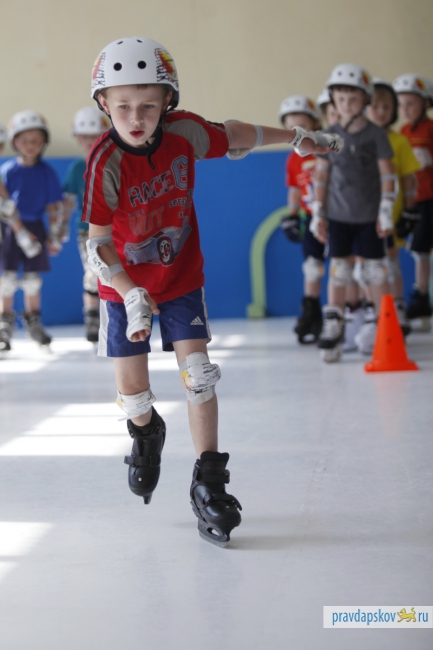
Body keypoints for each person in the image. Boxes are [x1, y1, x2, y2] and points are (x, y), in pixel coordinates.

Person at [83, 36, 343, 546]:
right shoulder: (104, 162)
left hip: (179, 276)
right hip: (123, 289)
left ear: (167, 102)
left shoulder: (183, 132)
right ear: (103, 104)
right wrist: (130, 292)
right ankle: (146, 432)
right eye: (123, 106)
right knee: (133, 397)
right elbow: (97, 245)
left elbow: (235, 134)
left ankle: (210, 481)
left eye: (148, 106)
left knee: (199, 376)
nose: (136, 118)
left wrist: (296, 137)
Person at [311, 63, 395, 362]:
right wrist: (318, 212)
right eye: (341, 98)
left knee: (374, 270)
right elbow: (321, 176)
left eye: (353, 98)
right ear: (333, 100)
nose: (346, 104)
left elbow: (387, 173)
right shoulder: (328, 135)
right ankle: (334, 323)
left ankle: (384, 324)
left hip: (370, 216)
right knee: (339, 269)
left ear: (365, 99)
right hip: (338, 216)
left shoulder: (375, 134)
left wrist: (386, 208)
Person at [0, 111, 63, 351]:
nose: (30, 145)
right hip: (9, 229)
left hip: (36, 226)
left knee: (32, 281)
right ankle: (4, 325)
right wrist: (16, 230)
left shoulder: (46, 172)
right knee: (7, 279)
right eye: (25, 140)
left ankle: (34, 322)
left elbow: (53, 207)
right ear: (15, 142)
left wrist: (55, 236)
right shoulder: (8, 171)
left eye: (36, 140)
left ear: (44, 142)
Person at [366, 78, 420, 336]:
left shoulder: (399, 141)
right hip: (362, 215)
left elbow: (408, 178)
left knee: (391, 263)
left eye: (386, 107)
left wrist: (410, 209)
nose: (380, 112)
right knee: (367, 266)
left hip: (390, 215)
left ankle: (398, 307)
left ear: (394, 110)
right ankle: (374, 311)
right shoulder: (358, 139)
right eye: (375, 106)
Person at [279, 95, 325, 343]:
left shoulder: (325, 149)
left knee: (347, 265)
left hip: (338, 216)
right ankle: (312, 311)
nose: (298, 134)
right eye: (292, 129)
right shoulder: (293, 159)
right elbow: (295, 189)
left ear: (316, 124)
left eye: (303, 127)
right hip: (310, 217)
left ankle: (353, 311)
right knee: (311, 266)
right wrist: (292, 215)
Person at [63, 108, 110, 342]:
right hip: (86, 231)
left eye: (94, 136)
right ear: (78, 138)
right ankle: (92, 318)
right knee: (93, 272)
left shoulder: (112, 163)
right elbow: (68, 202)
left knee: (115, 271)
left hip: (114, 229)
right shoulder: (76, 168)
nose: (89, 141)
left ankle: (115, 316)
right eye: (84, 137)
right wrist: (59, 228)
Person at [393, 73, 433, 331]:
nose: (405, 110)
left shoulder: (430, 129)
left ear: (426, 103)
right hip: (413, 201)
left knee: (421, 248)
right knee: (417, 249)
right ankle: (421, 298)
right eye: (402, 105)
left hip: (430, 198)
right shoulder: (402, 133)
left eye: (411, 104)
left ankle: (421, 296)